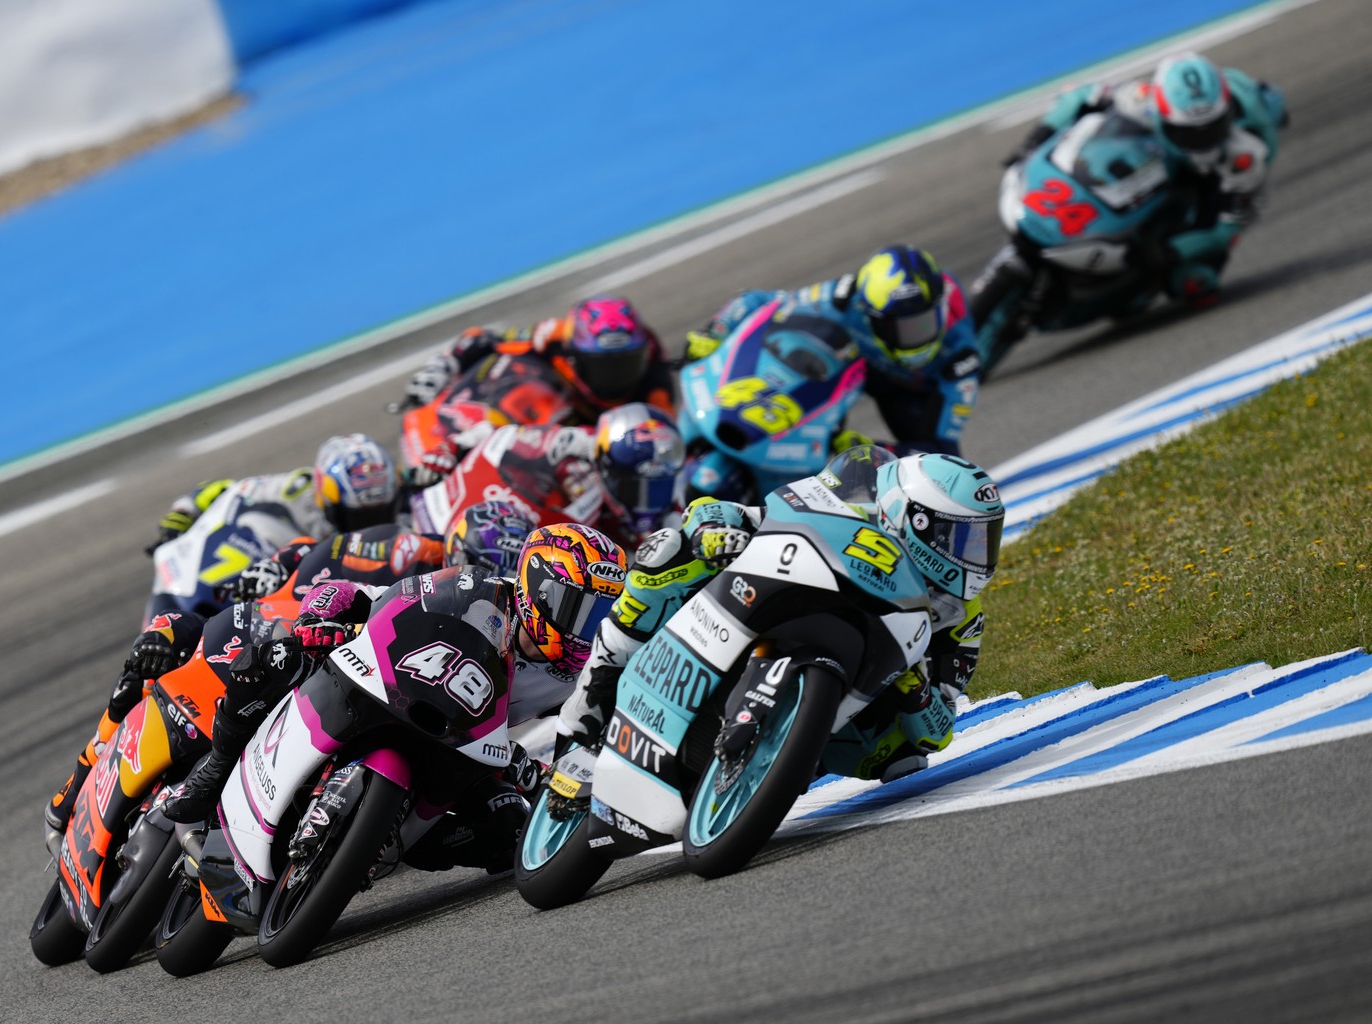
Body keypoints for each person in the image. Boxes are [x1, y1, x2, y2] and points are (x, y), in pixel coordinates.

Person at [42, 501, 529, 846]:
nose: (494, 588)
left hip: (393, 688)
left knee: (500, 820)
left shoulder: (510, 636)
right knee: (156, 652)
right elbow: (320, 554)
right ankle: (78, 782)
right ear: (457, 551)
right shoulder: (409, 555)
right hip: (308, 629)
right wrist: (279, 570)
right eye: (484, 569)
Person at [161, 522, 630, 875]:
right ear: (536, 587)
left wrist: (538, 772)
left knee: (510, 826)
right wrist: (323, 619)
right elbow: (366, 595)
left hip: (464, 743)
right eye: (576, 608)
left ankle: (383, 847)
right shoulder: (476, 590)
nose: (581, 628)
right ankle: (213, 771)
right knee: (280, 655)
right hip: (383, 685)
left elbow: (583, 741)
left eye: (597, 616)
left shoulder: (576, 675)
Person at [553, 447, 1004, 791]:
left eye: (985, 540)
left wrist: (917, 690)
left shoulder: (959, 616)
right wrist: (715, 531)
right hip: (762, 597)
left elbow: (939, 733)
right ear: (914, 521)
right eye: (964, 539)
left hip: (853, 689)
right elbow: (735, 511)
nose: (977, 557)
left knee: (900, 758)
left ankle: (781, 760)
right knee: (671, 549)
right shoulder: (851, 502)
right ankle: (600, 681)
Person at [1005, 51, 1288, 308]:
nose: (1199, 143)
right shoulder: (1141, 98)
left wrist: (1168, 252)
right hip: (1161, 150)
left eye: (1210, 131)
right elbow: (1079, 95)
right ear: (1161, 114)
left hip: (1218, 178)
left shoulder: (1246, 155)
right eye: (1188, 133)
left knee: (1196, 284)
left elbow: (1226, 229)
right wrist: (1036, 139)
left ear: (1226, 119)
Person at [683, 245, 981, 456]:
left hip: (911, 389)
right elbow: (759, 301)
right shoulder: (844, 296)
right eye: (897, 328)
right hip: (859, 364)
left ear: (940, 309)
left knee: (933, 466)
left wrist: (872, 450)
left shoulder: (960, 358)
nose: (912, 339)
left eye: (922, 323)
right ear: (869, 314)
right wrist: (715, 332)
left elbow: (943, 450)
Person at [404, 408, 685, 552]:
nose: (646, 499)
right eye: (635, 487)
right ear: (609, 467)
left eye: (656, 485)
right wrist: (450, 447)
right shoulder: (588, 441)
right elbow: (501, 432)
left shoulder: (668, 514)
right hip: (448, 517)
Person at [401, 296, 678, 426]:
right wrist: (441, 367)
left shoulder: (653, 365)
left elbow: (665, 426)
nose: (616, 377)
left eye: (625, 364)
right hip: (550, 417)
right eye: (604, 366)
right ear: (574, 354)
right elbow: (482, 338)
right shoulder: (552, 336)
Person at [141, 433, 399, 557]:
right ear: (325, 496)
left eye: (380, 511)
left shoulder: (403, 496)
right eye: (357, 516)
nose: (368, 525)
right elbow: (228, 490)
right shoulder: (295, 489)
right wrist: (183, 514)